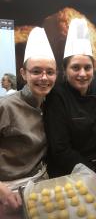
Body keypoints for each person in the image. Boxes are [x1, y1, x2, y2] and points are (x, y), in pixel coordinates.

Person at [44, 18, 96, 183]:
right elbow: (61, 150)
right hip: (70, 173)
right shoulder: (56, 96)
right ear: (65, 70)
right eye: (75, 67)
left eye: (87, 67)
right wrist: (94, 176)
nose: (82, 74)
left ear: (94, 68)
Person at [0, 27, 57, 211]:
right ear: (23, 74)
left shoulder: (51, 104)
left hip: (41, 182)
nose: (44, 77)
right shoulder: (6, 106)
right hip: (9, 189)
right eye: (36, 71)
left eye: (50, 72)